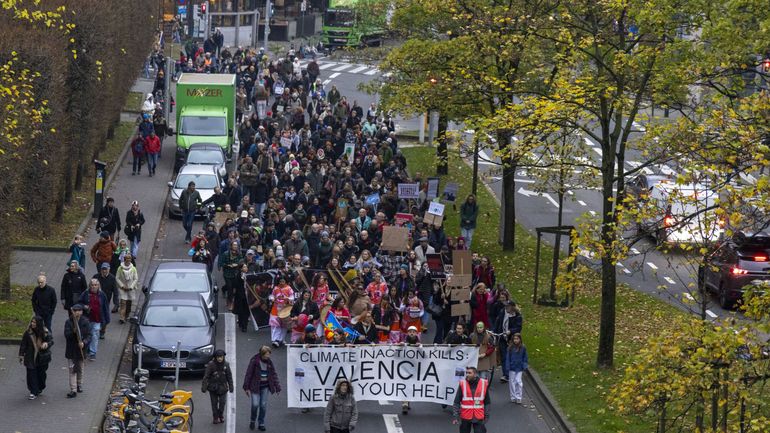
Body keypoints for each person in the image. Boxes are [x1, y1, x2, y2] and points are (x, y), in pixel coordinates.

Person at [243, 345, 281, 431]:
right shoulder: (254, 361)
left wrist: (277, 387)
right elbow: (249, 374)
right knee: (255, 405)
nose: (268, 356)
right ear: (262, 354)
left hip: (265, 387)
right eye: (266, 355)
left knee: (263, 405)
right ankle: (253, 420)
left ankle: (261, 422)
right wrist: (246, 387)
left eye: (269, 354)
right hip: (255, 386)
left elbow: (274, 374)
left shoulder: (269, 362)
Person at [18, 316, 53, 399]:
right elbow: (23, 344)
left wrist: (47, 344)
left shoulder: (45, 332)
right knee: (31, 374)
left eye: (34, 322)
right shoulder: (28, 333)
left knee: (41, 375)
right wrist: (21, 355)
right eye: (32, 322)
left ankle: (40, 387)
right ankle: (33, 391)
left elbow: (51, 341)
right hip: (31, 357)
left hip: (42, 358)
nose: (32, 324)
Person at [77, 279, 110, 358]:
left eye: (95, 285)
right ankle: (87, 349)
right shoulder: (85, 293)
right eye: (92, 285)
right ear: (90, 285)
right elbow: (79, 303)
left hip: (97, 319)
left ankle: (92, 352)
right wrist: (84, 306)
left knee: (95, 335)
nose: (94, 286)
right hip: (87, 319)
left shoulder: (102, 295)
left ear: (98, 286)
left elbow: (106, 307)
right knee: (87, 335)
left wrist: (107, 319)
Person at [64, 304, 92, 398]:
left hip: (81, 350)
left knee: (80, 368)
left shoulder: (86, 322)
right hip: (72, 350)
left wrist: (84, 343)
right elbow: (67, 335)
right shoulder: (69, 322)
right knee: (72, 370)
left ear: (81, 312)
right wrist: (73, 332)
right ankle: (73, 389)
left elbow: (89, 335)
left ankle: (79, 384)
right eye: (75, 311)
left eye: (78, 311)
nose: (77, 312)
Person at [452, 366, 490, 433]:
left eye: (469, 373)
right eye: (466, 373)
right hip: (465, 416)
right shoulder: (462, 384)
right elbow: (456, 401)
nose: (467, 375)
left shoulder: (483, 383)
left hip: (478, 416)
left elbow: (487, 401)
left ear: (475, 374)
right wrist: (456, 416)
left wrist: (486, 415)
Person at [202, 349, 234, 424]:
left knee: (222, 403)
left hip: (223, 388)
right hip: (213, 388)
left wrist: (231, 386)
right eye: (218, 357)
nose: (220, 358)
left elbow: (229, 376)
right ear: (215, 357)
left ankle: (221, 415)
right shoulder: (211, 365)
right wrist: (204, 387)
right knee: (214, 403)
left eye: (221, 357)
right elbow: (206, 376)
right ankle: (215, 417)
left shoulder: (226, 365)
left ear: (223, 357)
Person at [504, 333, 528, 404]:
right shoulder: (510, 348)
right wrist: (507, 366)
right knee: (512, 382)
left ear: (520, 339)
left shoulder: (523, 347)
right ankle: (513, 396)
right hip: (512, 367)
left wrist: (524, 365)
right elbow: (508, 358)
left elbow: (525, 357)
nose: (515, 340)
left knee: (518, 381)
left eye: (517, 339)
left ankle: (518, 397)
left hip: (519, 367)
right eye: (514, 339)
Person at [115, 254, 139, 323]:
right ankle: (122, 318)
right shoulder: (120, 268)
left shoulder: (133, 268)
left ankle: (127, 315)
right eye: (127, 260)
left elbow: (135, 278)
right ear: (124, 260)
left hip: (130, 289)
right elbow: (117, 278)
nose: (128, 261)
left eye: (129, 260)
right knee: (123, 302)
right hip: (123, 289)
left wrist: (131, 287)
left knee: (129, 303)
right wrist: (122, 286)